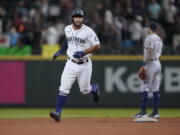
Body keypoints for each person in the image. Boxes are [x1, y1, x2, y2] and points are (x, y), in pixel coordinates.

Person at [49, 8, 101, 122]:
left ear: (82, 18)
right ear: (72, 18)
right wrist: (60, 51)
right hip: (70, 64)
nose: (78, 19)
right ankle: (58, 113)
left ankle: (94, 88)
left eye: (80, 17)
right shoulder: (67, 28)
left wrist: (84, 52)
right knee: (63, 88)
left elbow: (97, 45)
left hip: (85, 65)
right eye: (76, 17)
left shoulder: (88, 31)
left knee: (84, 90)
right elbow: (67, 41)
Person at [134, 21, 163, 119]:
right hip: (158, 63)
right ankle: (155, 112)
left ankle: (143, 112)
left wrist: (144, 65)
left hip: (150, 63)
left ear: (150, 28)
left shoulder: (149, 38)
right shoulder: (159, 38)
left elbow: (149, 52)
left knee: (144, 86)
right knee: (155, 88)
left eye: (148, 27)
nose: (147, 29)